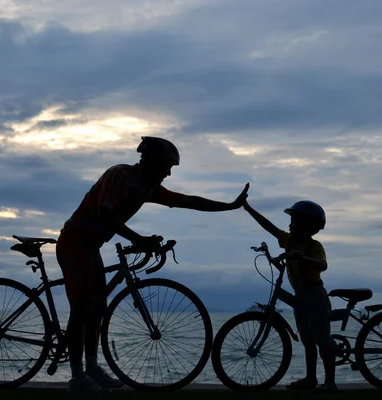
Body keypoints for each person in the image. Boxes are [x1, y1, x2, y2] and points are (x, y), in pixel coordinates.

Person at [56, 136, 249, 392]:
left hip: (91, 247)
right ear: (152, 161)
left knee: (98, 309)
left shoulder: (147, 188)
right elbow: (106, 213)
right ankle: (77, 377)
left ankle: (92, 369)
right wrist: (139, 239)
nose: (169, 173)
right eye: (167, 166)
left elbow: (189, 201)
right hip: (74, 243)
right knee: (82, 309)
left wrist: (230, 206)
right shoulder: (120, 175)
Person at [242, 199, 338, 392]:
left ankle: (330, 382)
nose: (290, 224)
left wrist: (302, 258)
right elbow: (269, 227)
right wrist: (247, 207)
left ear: (306, 225)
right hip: (300, 297)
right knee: (307, 340)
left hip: (315, 297)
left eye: (294, 220)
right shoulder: (289, 241)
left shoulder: (314, 246)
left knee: (322, 341)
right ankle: (311, 379)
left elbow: (322, 265)